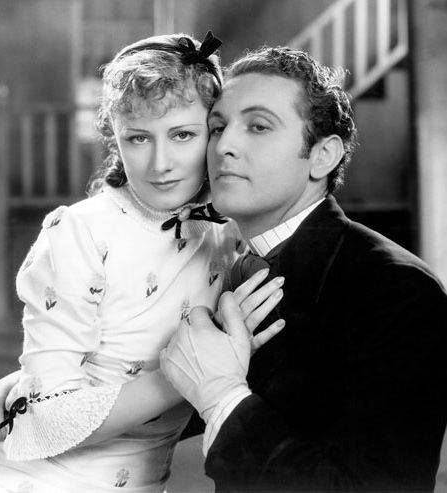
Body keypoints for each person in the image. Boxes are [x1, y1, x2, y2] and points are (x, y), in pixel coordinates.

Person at [0, 34, 285, 492]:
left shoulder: (225, 230)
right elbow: (48, 420)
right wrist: (194, 371)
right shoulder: (80, 232)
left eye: (183, 135)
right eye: (138, 138)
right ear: (115, 135)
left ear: (214, 132)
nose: (161, 163)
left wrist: (16, 384)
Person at [160, 46, 447, 492]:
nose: (223, 146)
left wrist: (222, 396)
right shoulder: (217, 265)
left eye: (258, 126)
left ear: (322, 155)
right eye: (217, 128)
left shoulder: (397, 289)